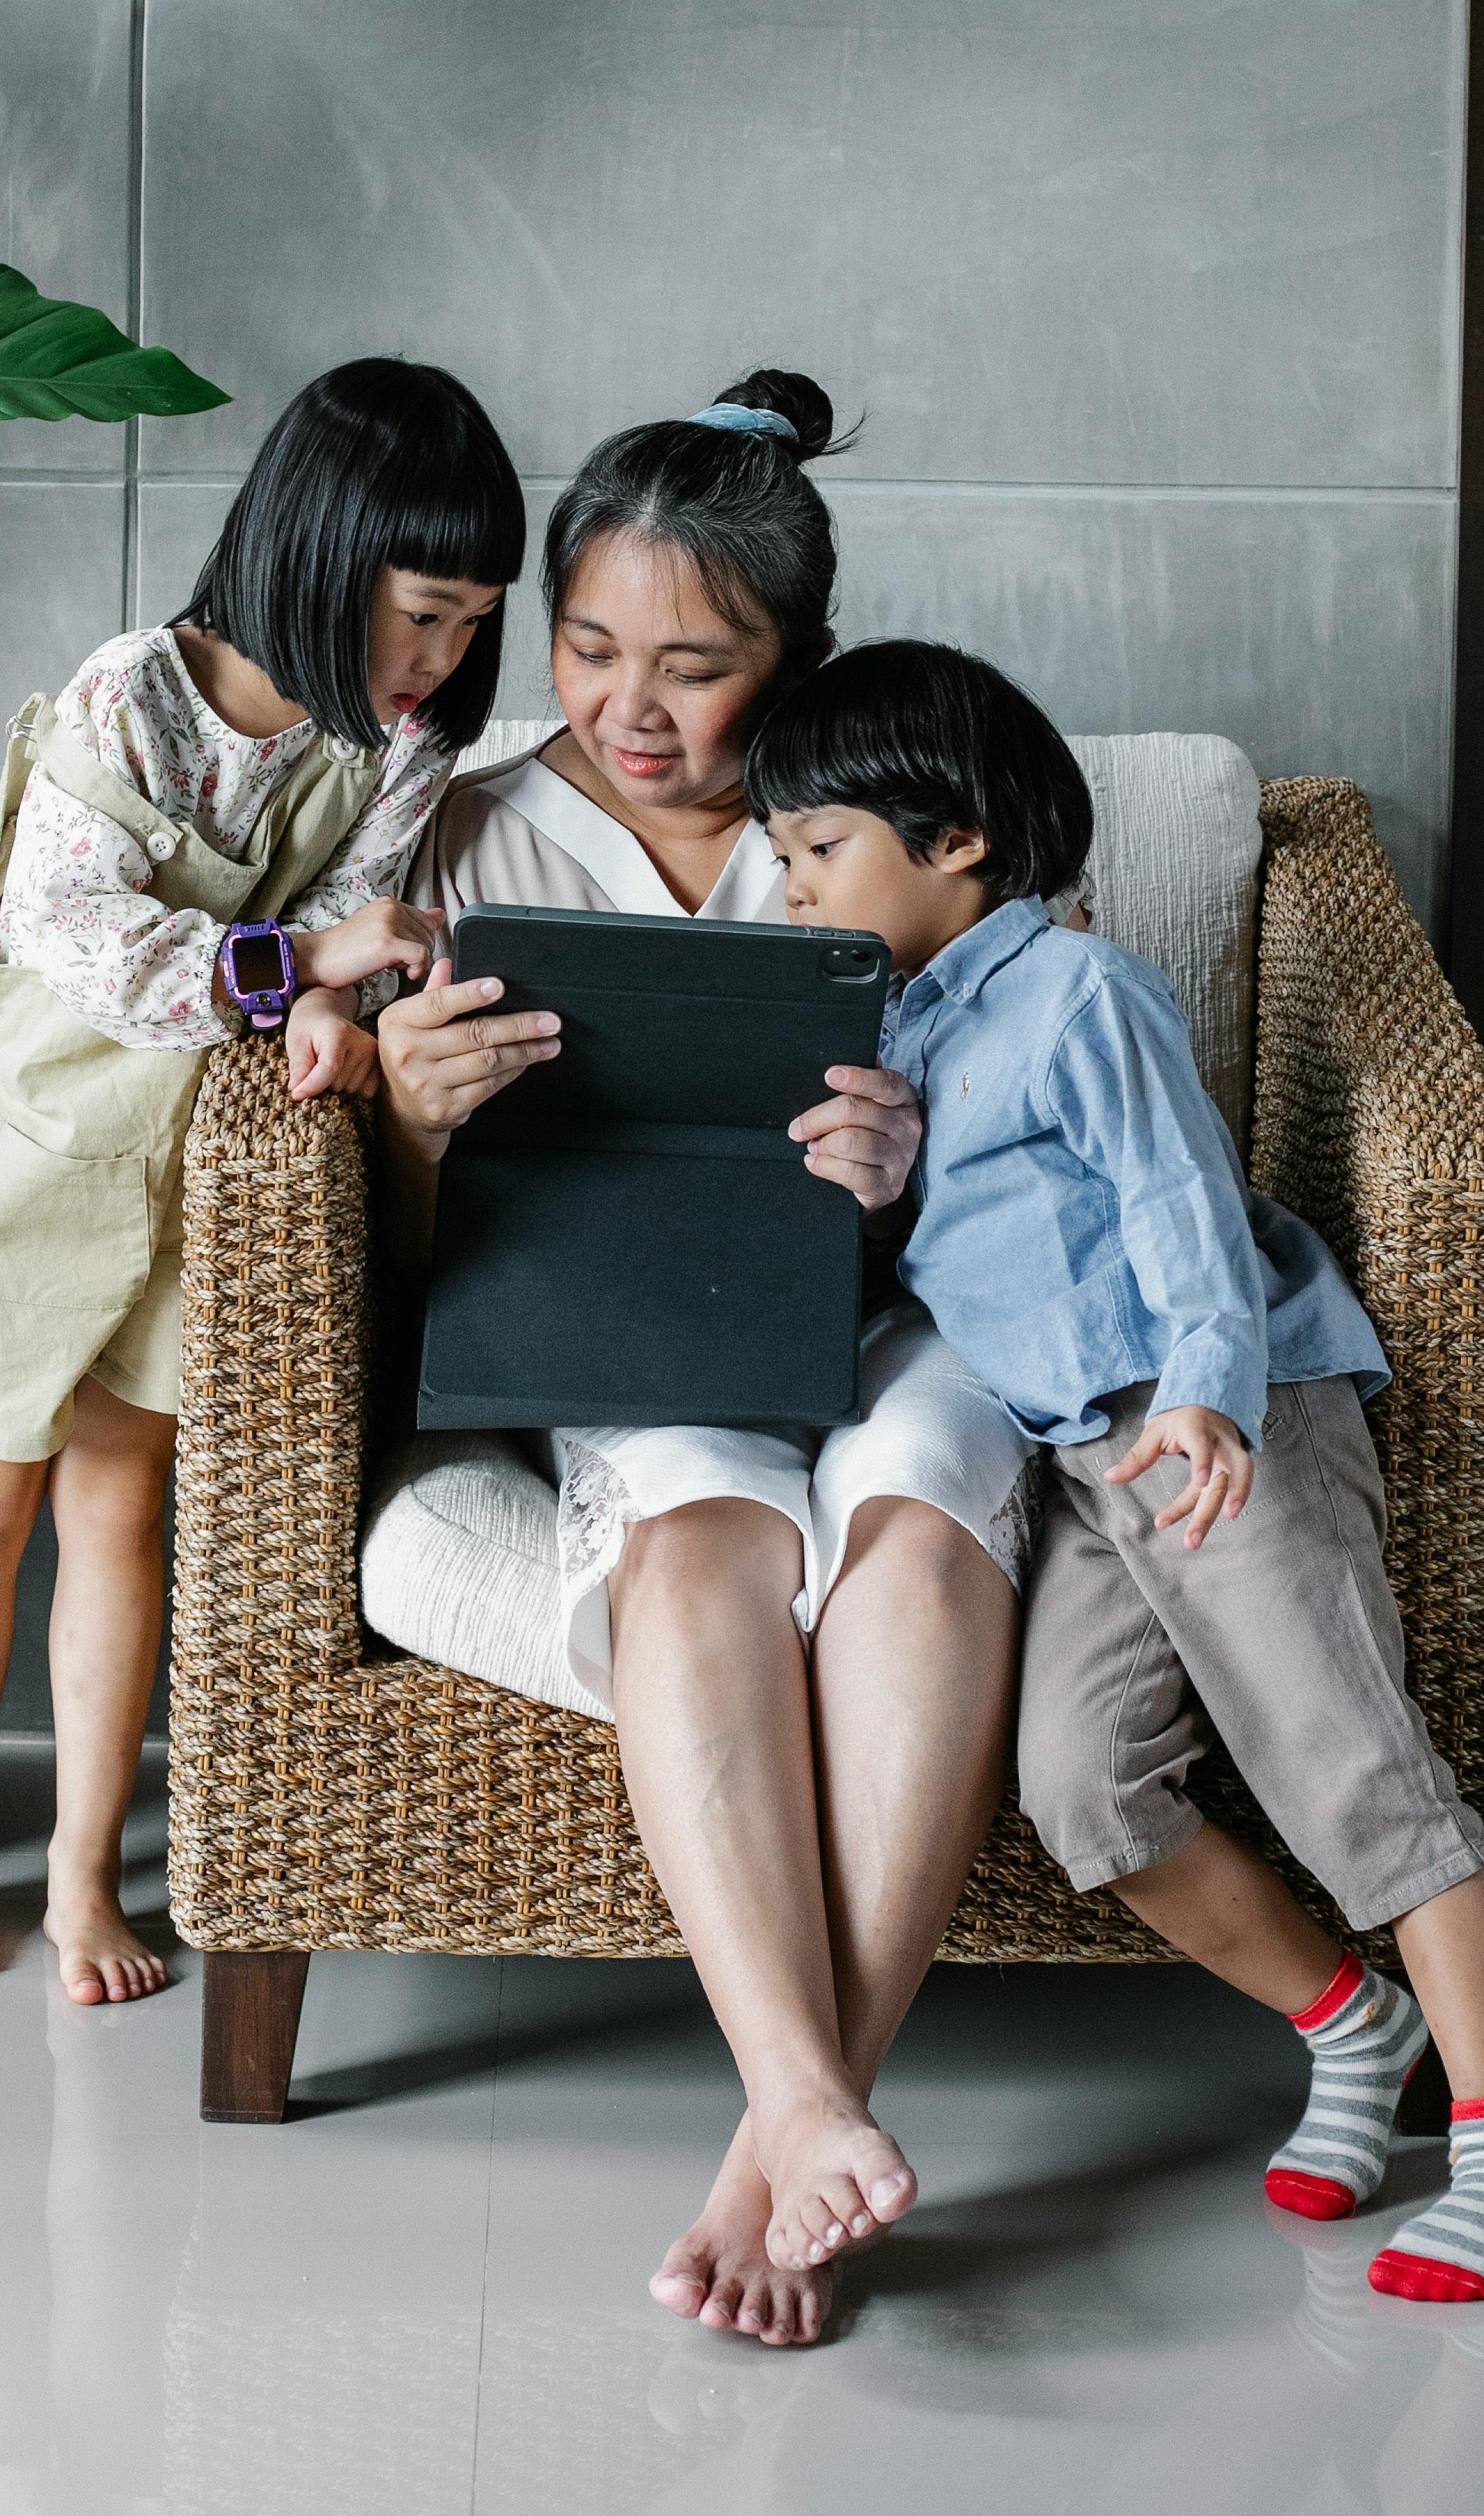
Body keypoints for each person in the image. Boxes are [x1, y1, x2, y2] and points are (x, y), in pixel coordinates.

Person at [745, 638, 1484, 2307]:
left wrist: (1209, 1397)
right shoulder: (896, 1042)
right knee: (1082, 1792)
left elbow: (1179, 1204)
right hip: (1081, 1454)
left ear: (959, 839)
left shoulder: (1082, 993)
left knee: (1349, 1760)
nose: (790, 892)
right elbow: (967, 1261)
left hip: (1212, 1413)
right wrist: (872, 1195)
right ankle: (1356, 2031)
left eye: (817, 849)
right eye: (781, 859)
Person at [375, 375, 1034, 2350]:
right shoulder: (471, 831)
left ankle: (786, 2137)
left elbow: (1050, 1106)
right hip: (636, 1337)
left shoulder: (893, 809)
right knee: (700, 1545)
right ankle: (814, 2105)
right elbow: (392, 1253)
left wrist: (915, 1169)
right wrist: (410, 1119)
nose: (629, 710)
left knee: (915, 1542)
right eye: (584, 649)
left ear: (796, 663)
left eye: (696, 666)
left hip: (912, 1313)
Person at [0, 359, 524, 2004]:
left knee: (120, 1503)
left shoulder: (397, 748)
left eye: (474, 627)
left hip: (195, 1169)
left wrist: (335, 1011)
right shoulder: (130, 698)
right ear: (319, 560)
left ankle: (93, 1875)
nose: (448, 662)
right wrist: (304, 957)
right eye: (425, 616)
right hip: (35, 1131)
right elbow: (78, 938)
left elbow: (370, 930)